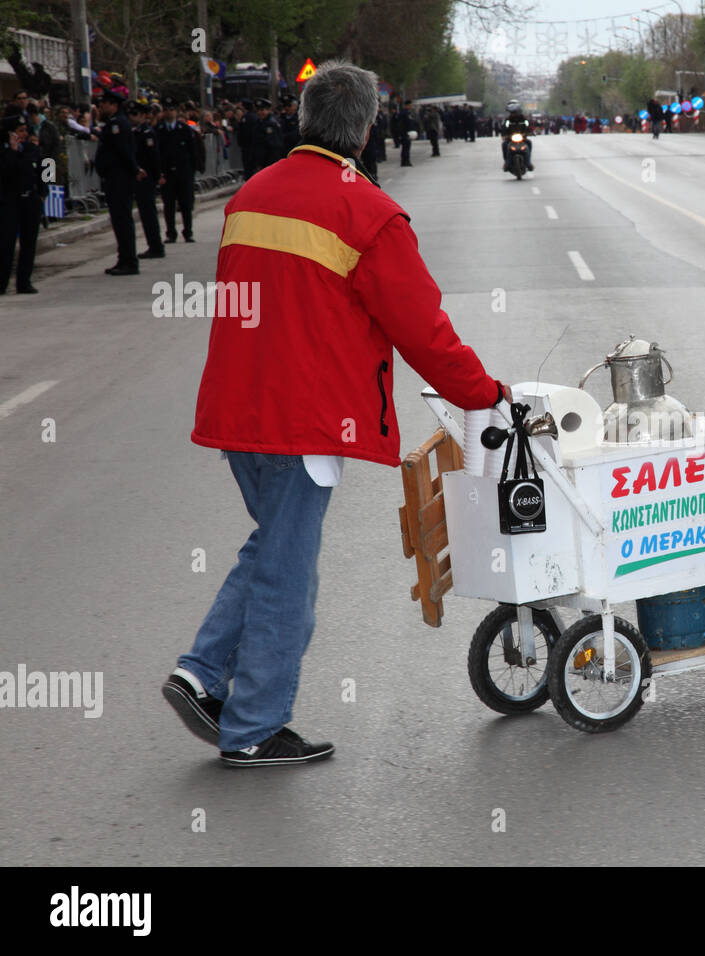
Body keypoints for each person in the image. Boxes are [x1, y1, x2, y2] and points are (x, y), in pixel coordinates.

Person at [170, 60, 513, 768]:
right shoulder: (369, 212)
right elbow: (424, 331)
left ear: (302, 120)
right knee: (287, 575)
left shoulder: (252, 194)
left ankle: (202, 673)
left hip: (240, 409)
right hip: (306, 420)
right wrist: (484, 393)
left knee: (272, 547)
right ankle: (254, 727)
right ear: (365, 128)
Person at [94, 87, 145, 275]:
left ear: (113, 105)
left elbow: (124, 151)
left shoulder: (118, 124)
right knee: (119, 220)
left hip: (120, 179)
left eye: (104, 103)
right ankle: (124, 258)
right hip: (114, 178)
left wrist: (134, 169)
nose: (101, 106)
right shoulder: (113, 123)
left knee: (123, 220)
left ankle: (129, 261)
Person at [0, 110, 45, 293]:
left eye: (25, 130)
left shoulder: (32, 148)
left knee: (29, 242)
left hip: (30, 200)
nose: (23, 134)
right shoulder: (4, 152)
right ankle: (2, 282)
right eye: (19, 130)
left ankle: (24, 281)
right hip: (10, 201)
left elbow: (47, 164)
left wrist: (44, 191)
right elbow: (6, 171)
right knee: (6, 243)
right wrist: (11, 151)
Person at [157, 98, 198, 242]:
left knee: (186, 204)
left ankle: (188, 232)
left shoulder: (184, 129)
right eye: (166, 110)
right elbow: (157, 154)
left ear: (176, 112)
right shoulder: (159, 130)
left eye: (172, 109)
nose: (169, 112)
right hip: (167, 174)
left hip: (183, 173)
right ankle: (171, 233)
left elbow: (192, 151)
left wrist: (192, 171)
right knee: (169, 205)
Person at [129, 101, 166, 258]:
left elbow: (154, 157)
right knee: (145, 214)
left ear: (143, 116)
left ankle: (156, 246)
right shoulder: (136, 132)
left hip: (147, 178)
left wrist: (158, 176)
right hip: (138, 178)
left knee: (149, 214)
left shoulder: (147, 133)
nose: (131, 117)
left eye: (135, 114)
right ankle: (153, 245)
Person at [246, 97, 282, 176]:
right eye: (258, 110)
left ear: (268, 110)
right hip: (260, 160)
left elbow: (274, 145)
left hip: (270, 160)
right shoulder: (258, 123)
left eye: (262, 110)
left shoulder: (271, 124)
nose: (260, 113)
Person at [501, 98, 532, 171]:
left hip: (522, 137)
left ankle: (528, 163)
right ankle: (506, 163)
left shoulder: (523, 119)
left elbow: (528, 126)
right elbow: (504, 127)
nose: (514, 114)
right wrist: (504, 135)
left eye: (515, 112)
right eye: (512, 112)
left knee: (529, 143)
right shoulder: (507, 120)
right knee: (504, 145)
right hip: (510, 138)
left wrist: (528, 132)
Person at [391, 96, 412, 166]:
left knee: (407, 147)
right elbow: (401, 124)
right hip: (404, 133)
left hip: (407, 132)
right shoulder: (403, 113)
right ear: (407, 105)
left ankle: (406, 161)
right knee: (405, 148)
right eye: (410, 105)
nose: (410, 106)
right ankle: (404, 161)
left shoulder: (407, 113)